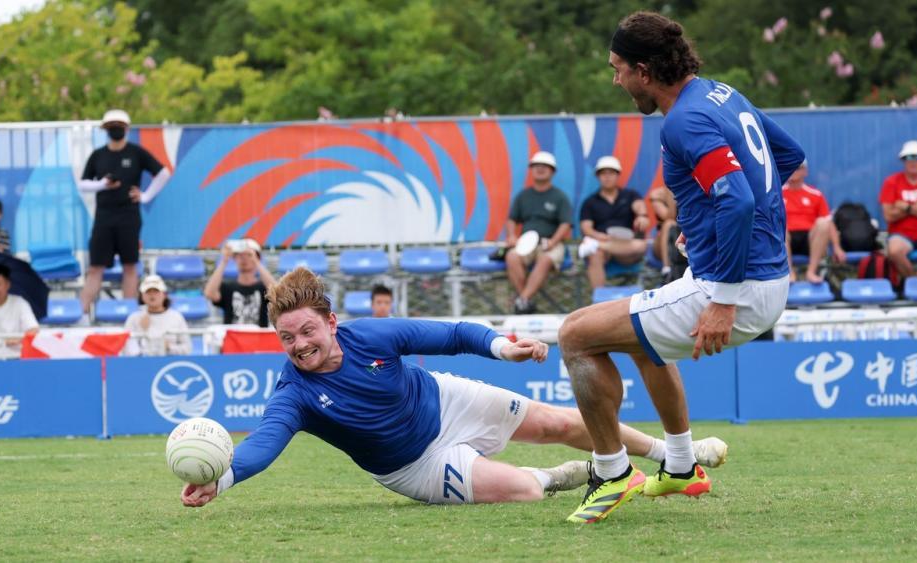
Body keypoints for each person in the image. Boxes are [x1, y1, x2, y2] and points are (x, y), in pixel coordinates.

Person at [180, 268, 728, 509]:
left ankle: (675, 455)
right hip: (412, 468)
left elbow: (450, 334)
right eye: (286, 337)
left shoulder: (371, 334)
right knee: (527, 491)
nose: (299, 345)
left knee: (564, 422)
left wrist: (501, 347)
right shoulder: (293, 392)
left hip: (447, 400)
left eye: (306, 331)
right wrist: (222, 478)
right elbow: (263, 445)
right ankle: (571, 475)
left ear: (330, 320)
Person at [558, 11, 801, 524]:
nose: (615, 79)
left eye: (618, 68)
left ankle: (611, 472)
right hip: (763, 279)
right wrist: (712, 223)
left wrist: (724, 298)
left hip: (735, 286)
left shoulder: (685, 121)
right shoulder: (720, 94)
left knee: (576, 335)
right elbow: (788, 154)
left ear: (644, 71)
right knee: (641, 340)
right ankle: (683, 466)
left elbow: (736, 200)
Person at [78, 109, 172, 313]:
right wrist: (103, 184)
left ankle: (128, 315)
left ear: (127, 129)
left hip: (129, 217)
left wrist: (145, 196)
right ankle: (80, 314)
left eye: (119, 127)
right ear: (105, 130)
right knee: (95, 268)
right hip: (103, 217)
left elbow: (163, 173)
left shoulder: (136, 153)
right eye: (112, 127)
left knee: (130, 266)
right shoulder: (98, 155)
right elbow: (83, 183)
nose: (116, 131)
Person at [505, 151, 573, 314]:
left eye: (545, 166)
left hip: (551, 242)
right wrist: (512, 236)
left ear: (552, 171)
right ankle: (525, 301)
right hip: (526, 243)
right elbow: (512, 219)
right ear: (531, 170)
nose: (540, 169)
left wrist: (553, 241)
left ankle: (521, 300)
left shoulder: (559, 197)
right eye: (536, 166)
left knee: (545, 259)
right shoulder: (523, 196)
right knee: (512, 256)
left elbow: (565, 224)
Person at [577, 156, 650, 289]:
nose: (607, 177)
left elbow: (639, 205)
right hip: (604, 243)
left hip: (626, 247)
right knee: (595, 256)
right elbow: (586, 228)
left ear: (617, 175)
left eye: (611, 173)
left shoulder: (630, 195)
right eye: (603, 173)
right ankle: (599, 303)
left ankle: (596, 245)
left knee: (641, 246)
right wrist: (598, 236)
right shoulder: (590, 202)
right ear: (598, 176)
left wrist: (642, 216)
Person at [781, 161, 844, 283]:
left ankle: (811, 272)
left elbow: (829, 222)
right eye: (790, 166)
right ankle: (789, 273)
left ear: (805, 171)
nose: (794, 170)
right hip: (786, 239)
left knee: (823, 223)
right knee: (778, 226)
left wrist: (837, 247)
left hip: (810, 240)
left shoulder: (815, 194)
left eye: (798, 167)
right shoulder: (777, 193)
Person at [203, 238, 277, 326]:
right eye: (239, 255)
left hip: (259, 338)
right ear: (234, 259)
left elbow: (277, 293)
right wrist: (224, 261)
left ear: (257, 258)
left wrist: (257, 263)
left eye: (249, 255)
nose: (244, 259)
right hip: (233, 338)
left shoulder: (264, 287)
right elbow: (209, 294)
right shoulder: (227, 287)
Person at [880, 140, 917, 278]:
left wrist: (906, 207)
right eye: (909, 157)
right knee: (894, 251)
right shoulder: (891, 182)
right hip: (901, 234)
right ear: (903, 161)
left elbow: (895, 212)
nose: (913, 162)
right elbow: (888, 215)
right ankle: (914, 281)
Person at [123, 275, 191, 356]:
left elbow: (187, 348)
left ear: (164, 294)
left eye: (156, 291)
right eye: (148, 291)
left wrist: (169, 347)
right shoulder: (133, 318)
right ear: (142, 296)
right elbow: (129, 350)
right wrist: (142, 330)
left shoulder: (176, 317)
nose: (152, 295)